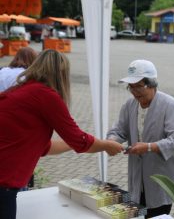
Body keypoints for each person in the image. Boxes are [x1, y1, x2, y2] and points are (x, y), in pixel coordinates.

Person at [0, 49, 124, 219]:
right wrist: (105, 145)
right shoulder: (45, 95)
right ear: (61, 74)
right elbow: (80, 141)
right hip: (4, 181)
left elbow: (45, 147)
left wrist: (73, 143)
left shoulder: (23, 90)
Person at [107, 59, 174, 218]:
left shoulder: (169, 104)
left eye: (139, 86)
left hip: (162, 178)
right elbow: (119, 129)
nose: (134, 91)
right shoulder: (130, 105)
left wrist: (149, 147)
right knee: (138, 211)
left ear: (152, 84)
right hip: (138, 176)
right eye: (131, 86)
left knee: (157, 213)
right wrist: (111, 142)